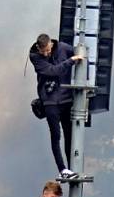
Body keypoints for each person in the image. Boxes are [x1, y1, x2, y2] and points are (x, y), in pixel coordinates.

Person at [29, 34, 84, 179]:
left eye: (47, 50)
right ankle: (62, 169)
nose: (46, 54)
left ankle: (72, 168)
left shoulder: (63, 48)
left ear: (51, 45)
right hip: (49, 101)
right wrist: (70, 61)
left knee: (69, 134)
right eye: (43, 52)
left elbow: (82, 57)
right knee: (56, 135)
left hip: (66, 99)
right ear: (38, 48)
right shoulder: (35, 56)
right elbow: (52, 71)